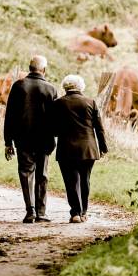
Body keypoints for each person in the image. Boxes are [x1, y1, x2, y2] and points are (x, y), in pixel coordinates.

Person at [4, 55, 57, 223]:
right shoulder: (51, 89)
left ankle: (30, 211)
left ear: (29, 67)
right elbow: (56, 118)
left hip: (23, 138)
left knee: (26, 173)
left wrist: (8, 142)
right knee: (42, 174)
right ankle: (42, 213)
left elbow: (10, 116)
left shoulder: (19, 86)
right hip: (44, 139)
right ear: (44, 70)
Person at [52, 74, 108, 223]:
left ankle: (75, 213)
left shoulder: (58, 103)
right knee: (85, 180)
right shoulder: (91, 102)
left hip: (66, 149)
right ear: (80, 86)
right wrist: (103, 148)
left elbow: (53, 129)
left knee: (71, 181)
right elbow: (99, 128)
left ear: (65, 87)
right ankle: (83, 212)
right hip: (88, 148)